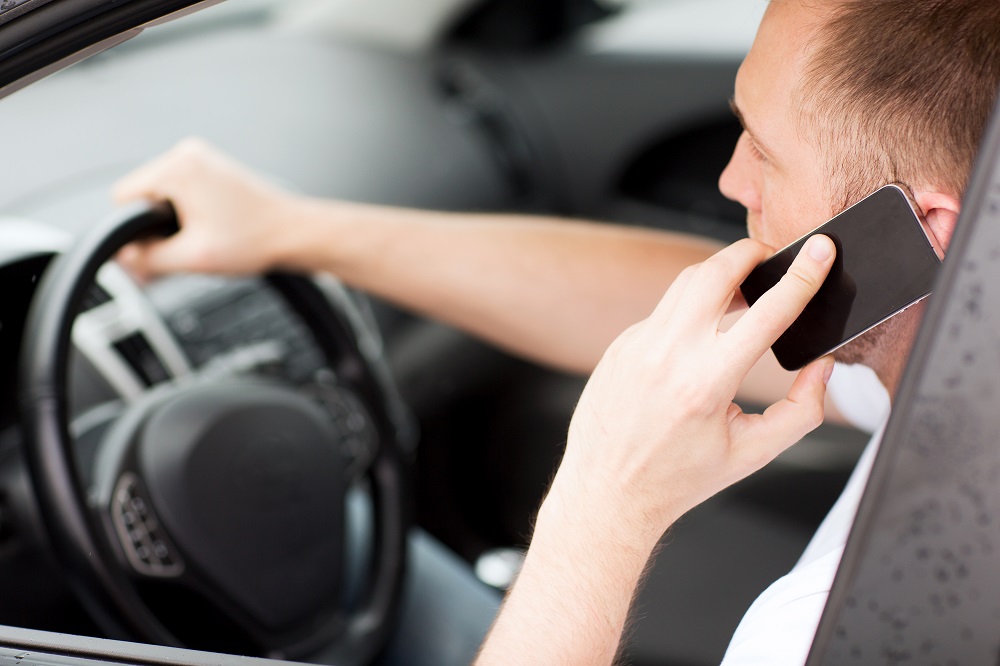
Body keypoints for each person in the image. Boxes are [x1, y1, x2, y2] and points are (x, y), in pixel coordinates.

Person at [112, 0, 1000, 663]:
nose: (732, 181)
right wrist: (293, 230)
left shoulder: (830, 627)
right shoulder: (959, 353)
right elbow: (670, 297)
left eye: (764, 150)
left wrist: (603, 504)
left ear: (930, 232)